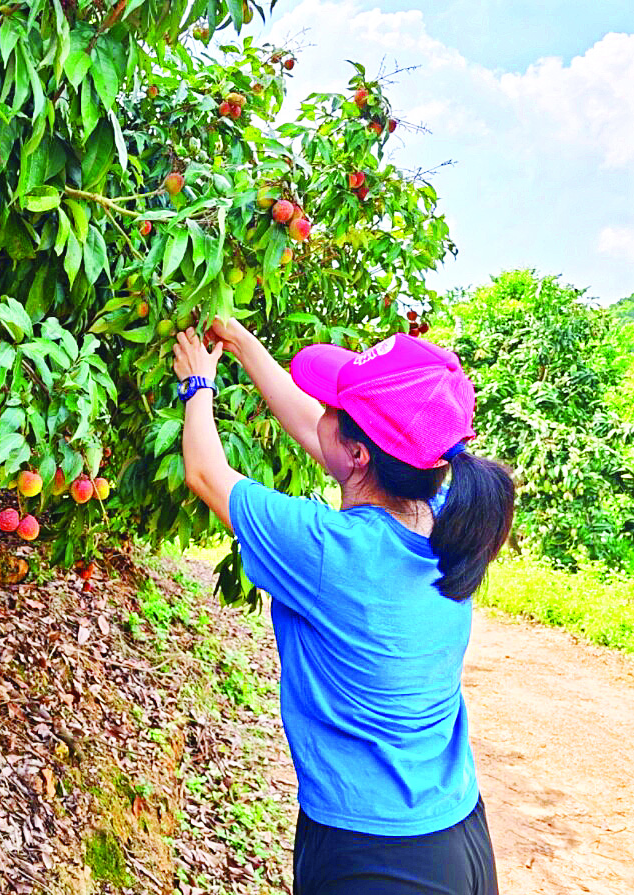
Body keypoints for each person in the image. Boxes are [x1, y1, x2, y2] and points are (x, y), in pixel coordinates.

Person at [172, 317, 514, 895]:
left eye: (332, 406)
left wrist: (196, 386)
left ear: (358, 454)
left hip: (376, 862)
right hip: (457, 837)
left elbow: (206, 473)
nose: (318, 411)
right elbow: (322, 431)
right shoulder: (453, 515)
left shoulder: (331, 553)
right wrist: (240, 342)